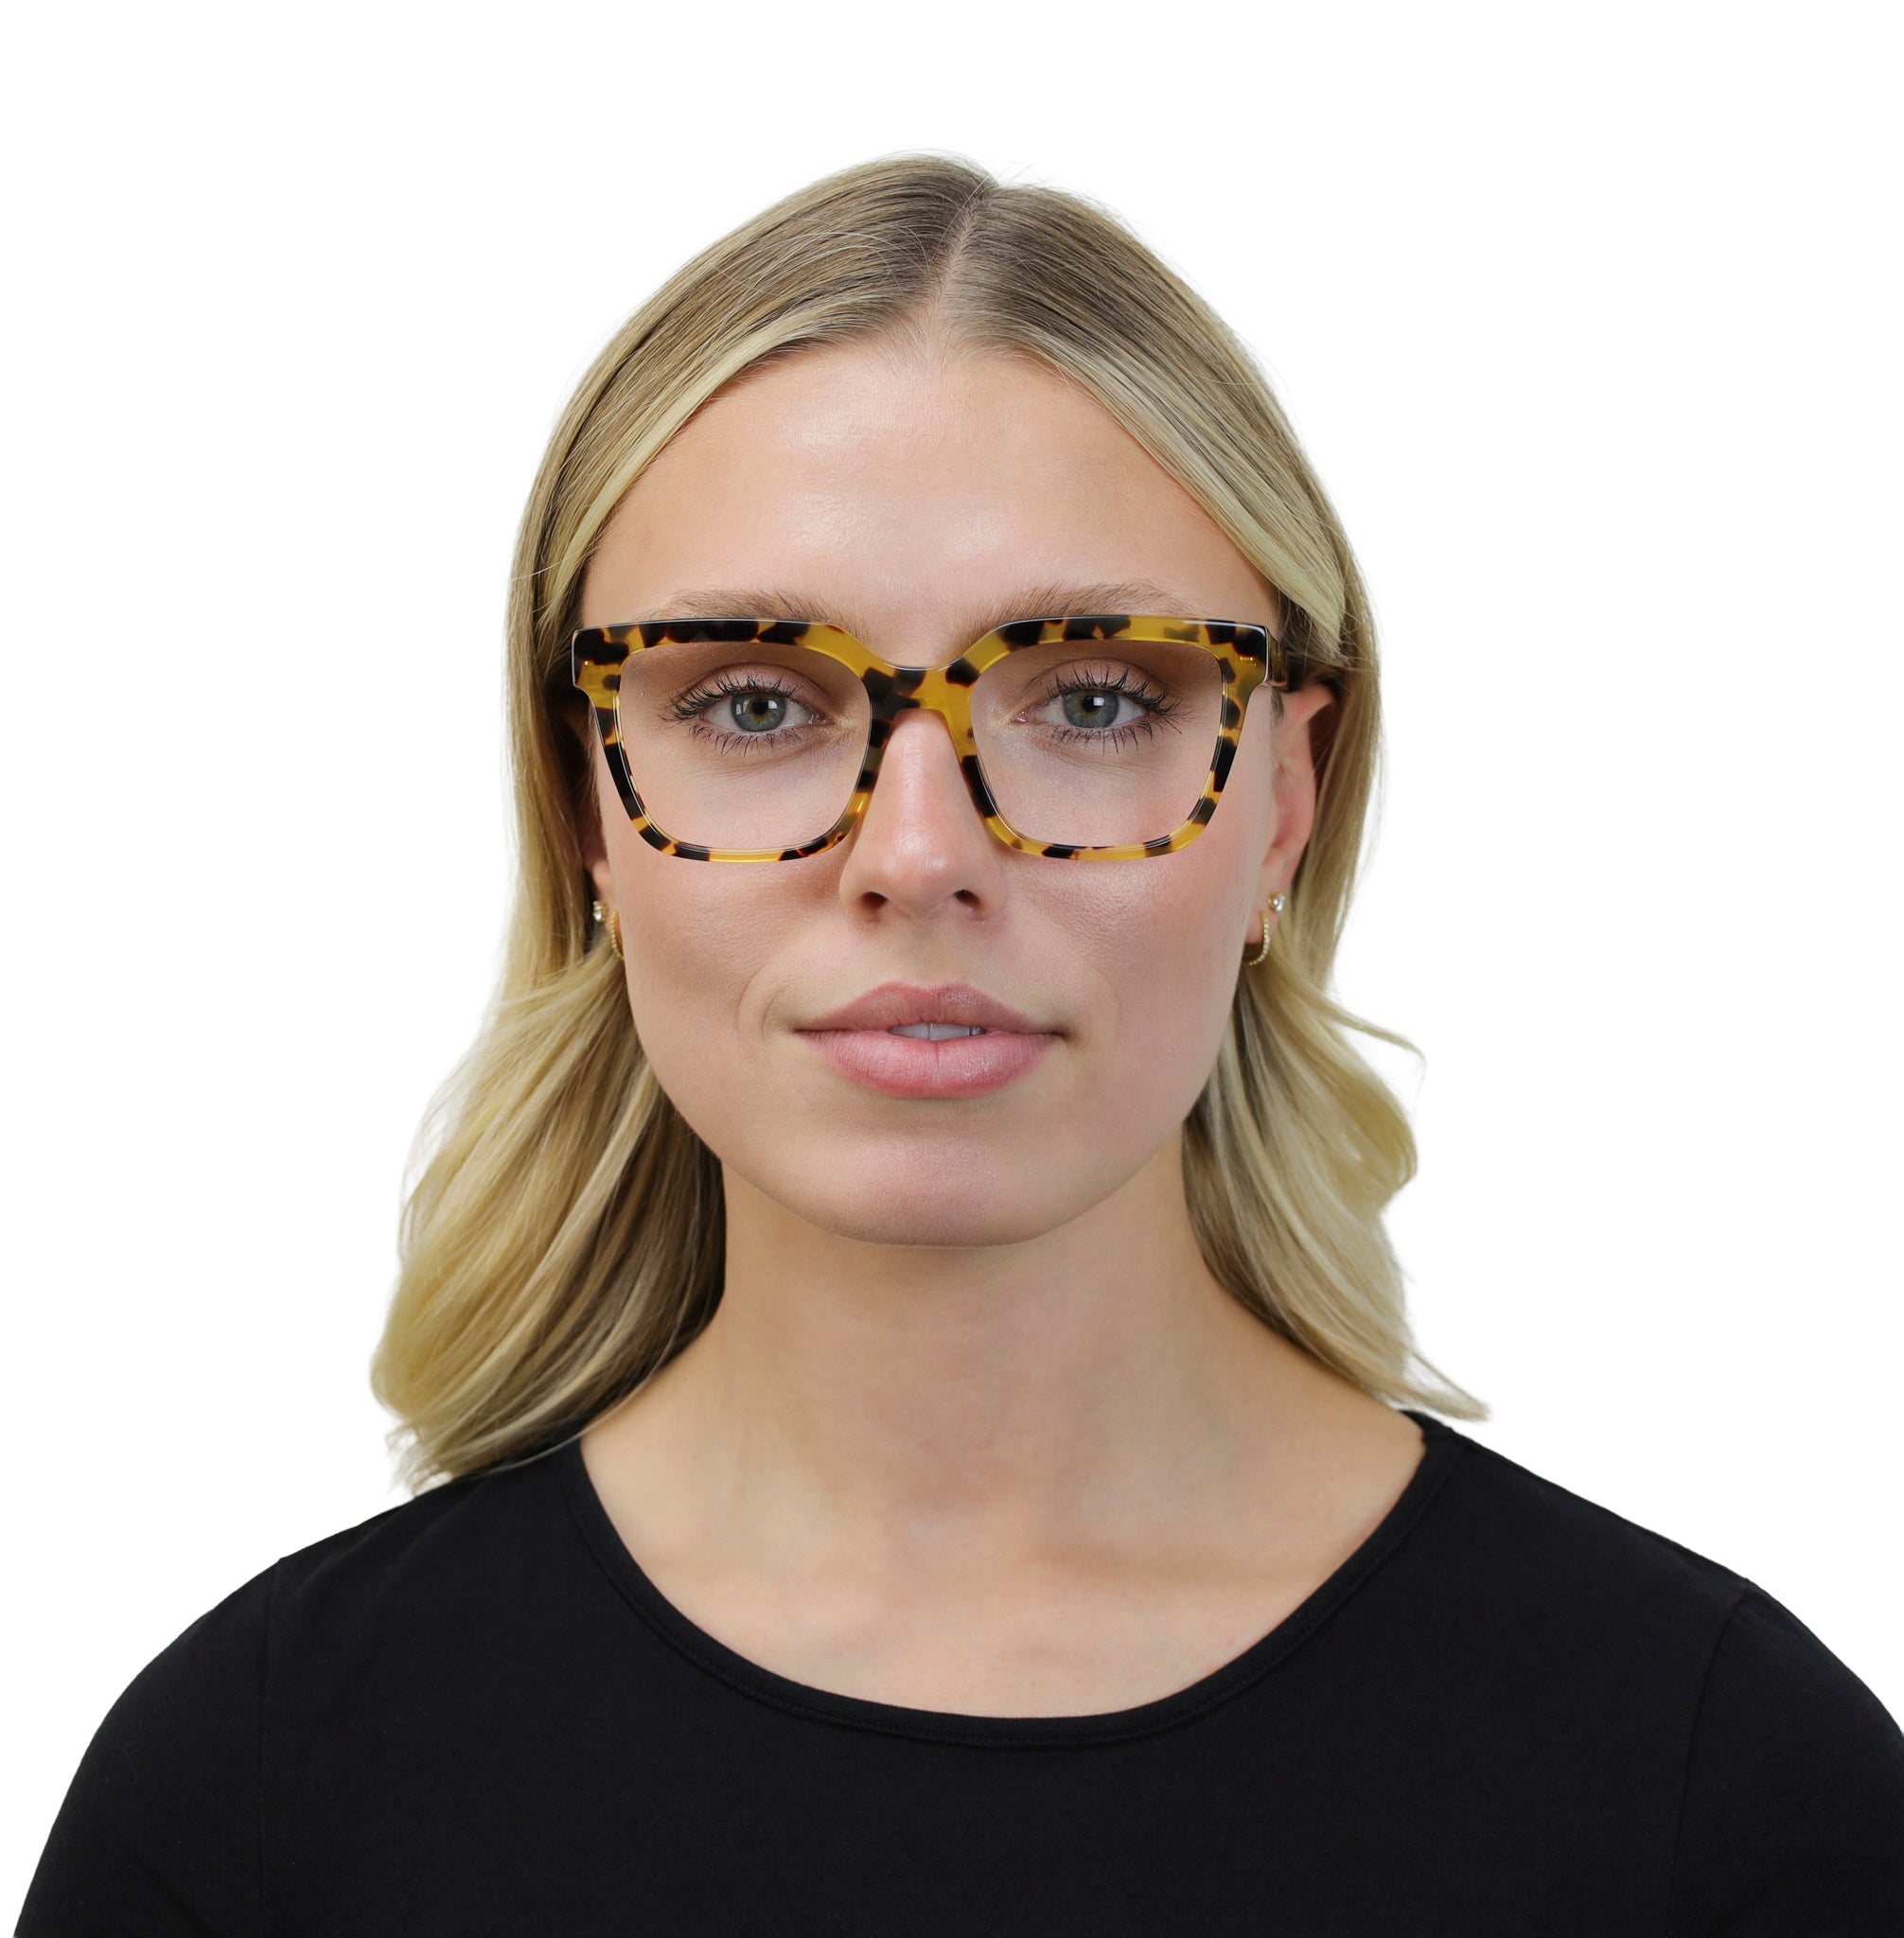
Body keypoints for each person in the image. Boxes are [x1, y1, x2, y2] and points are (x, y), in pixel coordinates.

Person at [18, 151, 1902, 1936]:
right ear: (584, 802)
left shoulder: (1723, 1789)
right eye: (753, 703)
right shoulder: (255, 1791)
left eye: (1092, 699)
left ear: (1286, 798)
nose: (917, 855)